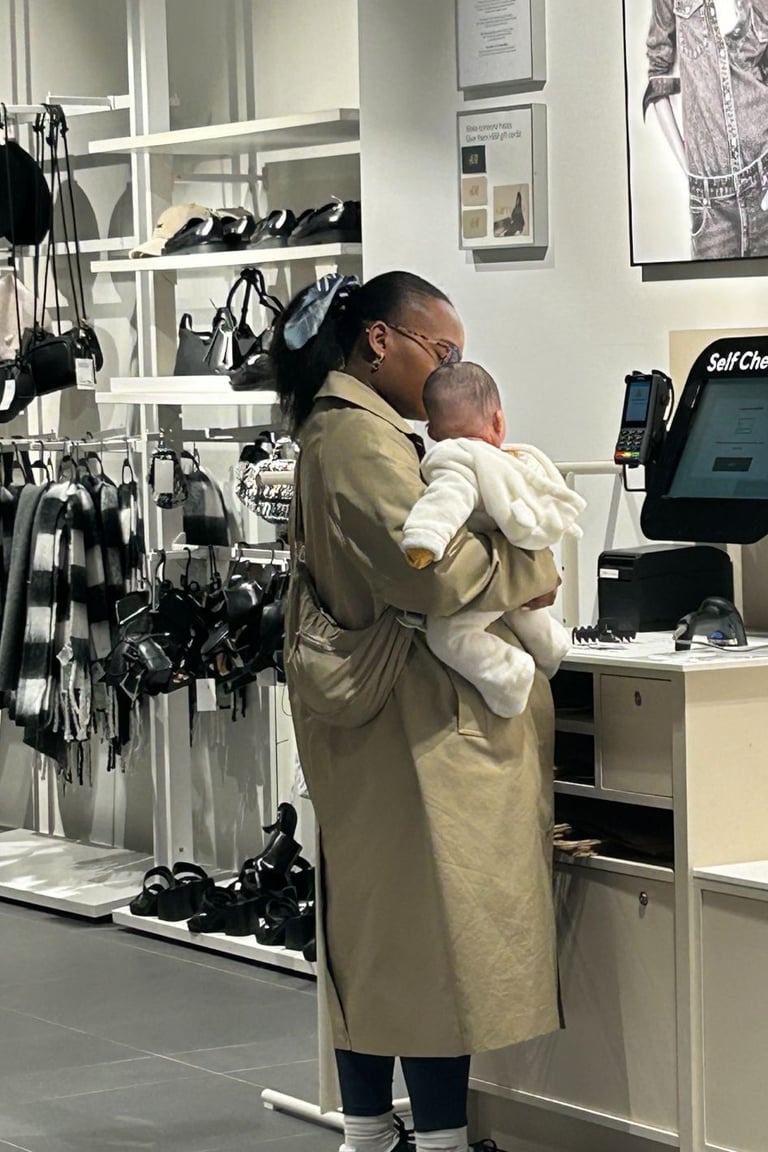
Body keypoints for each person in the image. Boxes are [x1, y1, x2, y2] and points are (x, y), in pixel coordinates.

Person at [271, 271, 561, 1152]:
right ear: (378, 341)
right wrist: (532, 567)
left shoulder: (355, 432)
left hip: (387, 722)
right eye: (443, 351)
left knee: (381, 934)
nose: (453, 368)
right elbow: (426, 572)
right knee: (432, 936)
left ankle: (372, 1132)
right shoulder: (357, 439)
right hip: (411, 727)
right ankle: (435, 1140)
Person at [401, 361, 584, 719]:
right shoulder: (519, 459)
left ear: (433, 430)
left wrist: (424, 539)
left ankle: (507, 673)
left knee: (448, 636)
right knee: (525, 611)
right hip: (526, 562)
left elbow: (445, 502)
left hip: (493, 570)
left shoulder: (455, 459)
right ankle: (552, 646)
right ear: (499, 421)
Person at [645, 0, 768, 259]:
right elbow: (657, 77)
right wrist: (689, 169)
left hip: (764, 183)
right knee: (707, 296)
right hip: (711, 209)